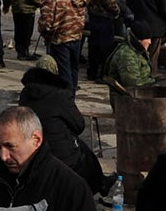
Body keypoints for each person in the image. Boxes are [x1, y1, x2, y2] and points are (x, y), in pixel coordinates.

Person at [15, 61, 104, 191]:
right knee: (85, 155)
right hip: (60, 155)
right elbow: (79, 125)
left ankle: (101, 184)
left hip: (33, 149)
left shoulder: (26, 93)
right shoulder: (60, 94)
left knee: (81, 147)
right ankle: (99, 186)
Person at [39, 0, 89, 92]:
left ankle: (66, 96)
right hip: (77, 34)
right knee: (74, 66)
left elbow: (46, 20)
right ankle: (72, 91)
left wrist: (45, 32)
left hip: (59, 36)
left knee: (63, 69)